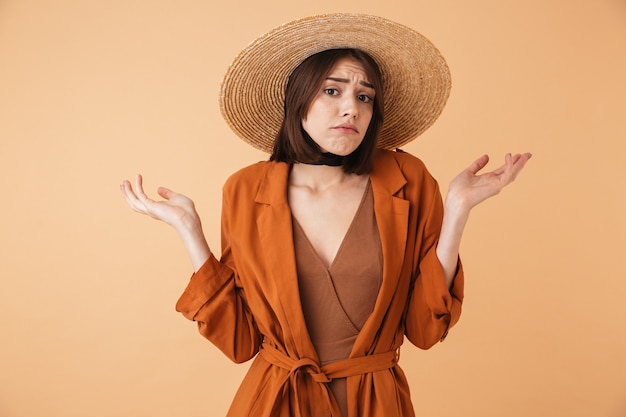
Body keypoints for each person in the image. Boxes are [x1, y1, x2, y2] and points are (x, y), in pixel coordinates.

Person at [120, 13, 531, 417]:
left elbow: (425, 331)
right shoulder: (247, 189)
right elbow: (240, 342)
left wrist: (458, 211)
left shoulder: (408, 179)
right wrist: (190, 231)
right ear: (298, 101)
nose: (351, 109)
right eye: (332, 92)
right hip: (276, 402)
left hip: (375, 404)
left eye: (364, 96)